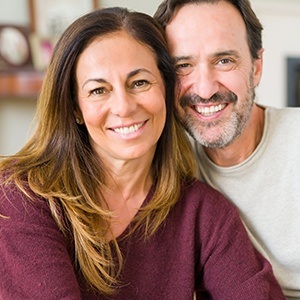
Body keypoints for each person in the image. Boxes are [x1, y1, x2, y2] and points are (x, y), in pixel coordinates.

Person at [0, 7, 284, 300]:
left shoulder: (203, 212)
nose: (124, 107)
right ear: (75, 107)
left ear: (166, 89)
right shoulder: (23, 196)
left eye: (139, 83)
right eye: (99, 90)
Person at [154, 0, 300, 298]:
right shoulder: (170, 169)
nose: (205, 89)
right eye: (183, 66)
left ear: (256, 68)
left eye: (224, 61)